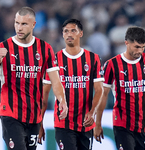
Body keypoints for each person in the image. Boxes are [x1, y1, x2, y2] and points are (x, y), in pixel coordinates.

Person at [0, 7, 68, 150]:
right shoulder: (3, 47)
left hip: (34, 116)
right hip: (10, 114)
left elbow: (56, 80)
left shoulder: (45, 48)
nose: (19, 28)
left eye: (24, 24)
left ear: (34, 24)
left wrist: (62, 100)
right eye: (17, 23)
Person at [94, 26, 145, 150]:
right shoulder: (112, 64)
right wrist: (97, 123)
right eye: (136, 47)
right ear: (127, 43)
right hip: (122, 123)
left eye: (142, 47)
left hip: (144, 124)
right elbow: (103, 95)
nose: (139, 51)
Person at [39, 19, 104, 150]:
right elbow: (44, 93)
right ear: (62, 34)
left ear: (81, 33)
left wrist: (92, 112)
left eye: (73, 30)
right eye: (66, 31)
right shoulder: (54, 60)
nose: (69, 34)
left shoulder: (93, 58)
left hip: (86, 122)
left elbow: (99, 90)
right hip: (63, 123)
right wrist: (39, 122)